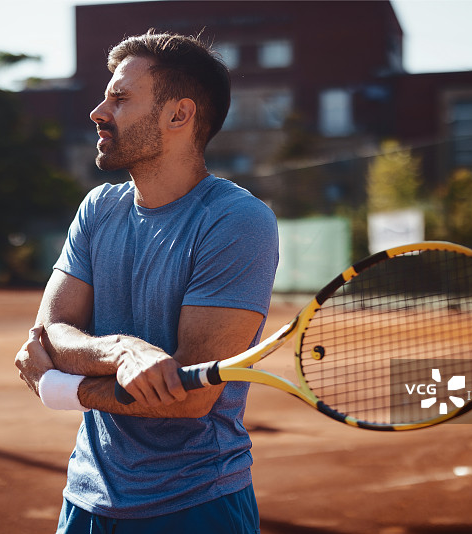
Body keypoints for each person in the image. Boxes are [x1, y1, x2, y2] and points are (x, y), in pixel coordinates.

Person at [15, 30, 278, 534]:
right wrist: (121, 352)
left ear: (178, 116)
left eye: (120, 98)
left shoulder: (237, 221)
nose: (98, 111)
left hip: (196, 505)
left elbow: (191, 394)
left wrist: (59, 386)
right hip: (86, 499)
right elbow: (49, 334)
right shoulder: (98, 208)